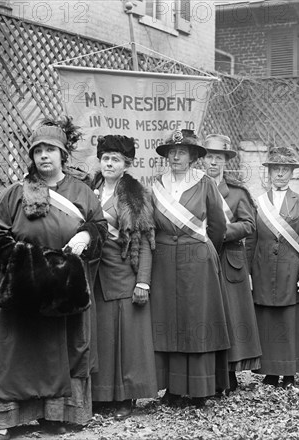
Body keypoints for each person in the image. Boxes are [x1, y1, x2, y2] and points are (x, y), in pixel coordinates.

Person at [0, 118, 107, 440]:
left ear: (63, 154)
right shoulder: (15, 194)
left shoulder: (81, 192)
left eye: (50, 150)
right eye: (38, 151)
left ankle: (58, 415)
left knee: (62, 349)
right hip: (23, 286)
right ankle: (8, 417)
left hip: (62, 289)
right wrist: (27, 266)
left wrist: (86, 235)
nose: (44, 157)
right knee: (14, 350)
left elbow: (100, 228)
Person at [150, 129, 229, 408]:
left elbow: (218, 226)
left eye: (182, 152)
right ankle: (172, 387)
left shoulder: (205, 183)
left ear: (194, 156)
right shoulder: (155, 184)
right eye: (172, 152)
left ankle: (199, 386)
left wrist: (206, 252)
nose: (175, 156)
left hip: (196, 257)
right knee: (168, 320)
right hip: (164, 260)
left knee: (197, 320)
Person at [89, 135, 157, 417]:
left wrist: (143, 280)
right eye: (105, 158)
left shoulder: (135, 194)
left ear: (126, 163)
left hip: (123, 272)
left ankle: (125, 399)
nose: (109, 163)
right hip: (93, 274)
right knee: (102, 337)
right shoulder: (88, 190)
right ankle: (102, 396)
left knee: (126, 339)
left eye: (115, 159)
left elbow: (145, 240)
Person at [246, 146, 299, 388]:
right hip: (263, 267)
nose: (280, 174)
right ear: (269, 172)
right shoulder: (259, 202)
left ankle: (289, 372)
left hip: (290, 268)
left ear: (292, 173)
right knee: (268, 319)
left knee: (289, 320)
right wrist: (248, 272)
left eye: (285, 170)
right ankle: (270, 371)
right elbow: (251, 239)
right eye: (276, 169)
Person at [203, 134, 261, 393]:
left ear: (225, 161)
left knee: (230, 315)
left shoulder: (237, 192)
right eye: (209, 156)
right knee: (208, 314)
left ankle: (229, 374)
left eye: (218, 157)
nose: (213, 162)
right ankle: (210, 373)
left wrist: (222, 231)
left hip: (229, 260)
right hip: (202, 260)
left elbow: (249, 225)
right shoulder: (195, 187)